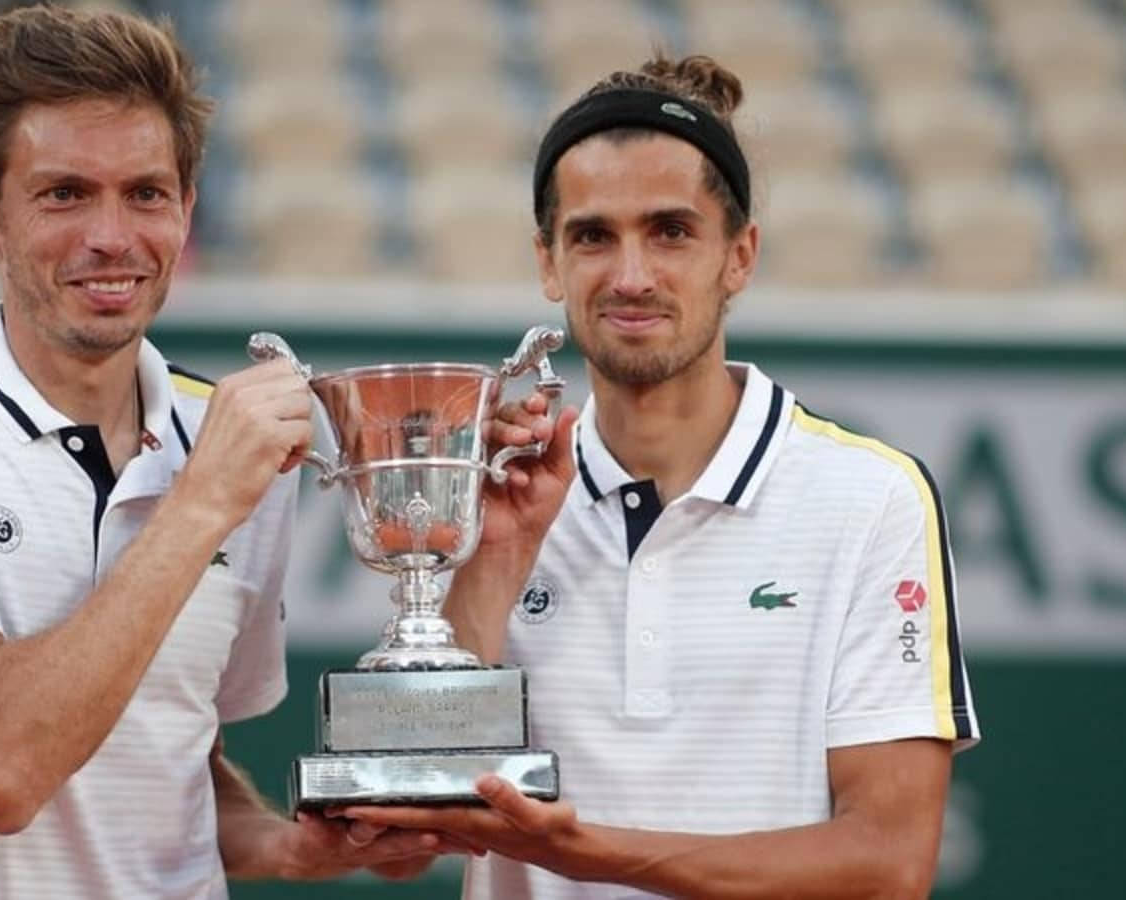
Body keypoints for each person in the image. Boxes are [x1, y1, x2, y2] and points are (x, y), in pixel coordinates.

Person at [0, 7, 447, 897]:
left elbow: (170, 749)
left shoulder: (230, 441)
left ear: (187, 211)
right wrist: (202, 501)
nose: (113, 237)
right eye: (64, 194)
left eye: (146, 193)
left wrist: (286, 846)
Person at [340, 53, 982, 899]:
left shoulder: (871, 497)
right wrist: (494, 561)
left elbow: (889, 864)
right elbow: (399, 848)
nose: (632, 276)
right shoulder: (493, 497)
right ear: (548, 262)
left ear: (740, 256)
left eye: (671, 231)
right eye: (594, 235)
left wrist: (587, 853)